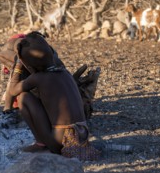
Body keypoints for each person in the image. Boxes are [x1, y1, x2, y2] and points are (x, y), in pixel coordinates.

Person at [7, 32, 99, 160]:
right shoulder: (64, 72)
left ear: (29, 64)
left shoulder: (38, 78)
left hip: (60, 141)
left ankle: (41, 143)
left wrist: (18, 65)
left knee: (23, 97)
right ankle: (48, 141)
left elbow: (12, 91)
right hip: (82, 135)